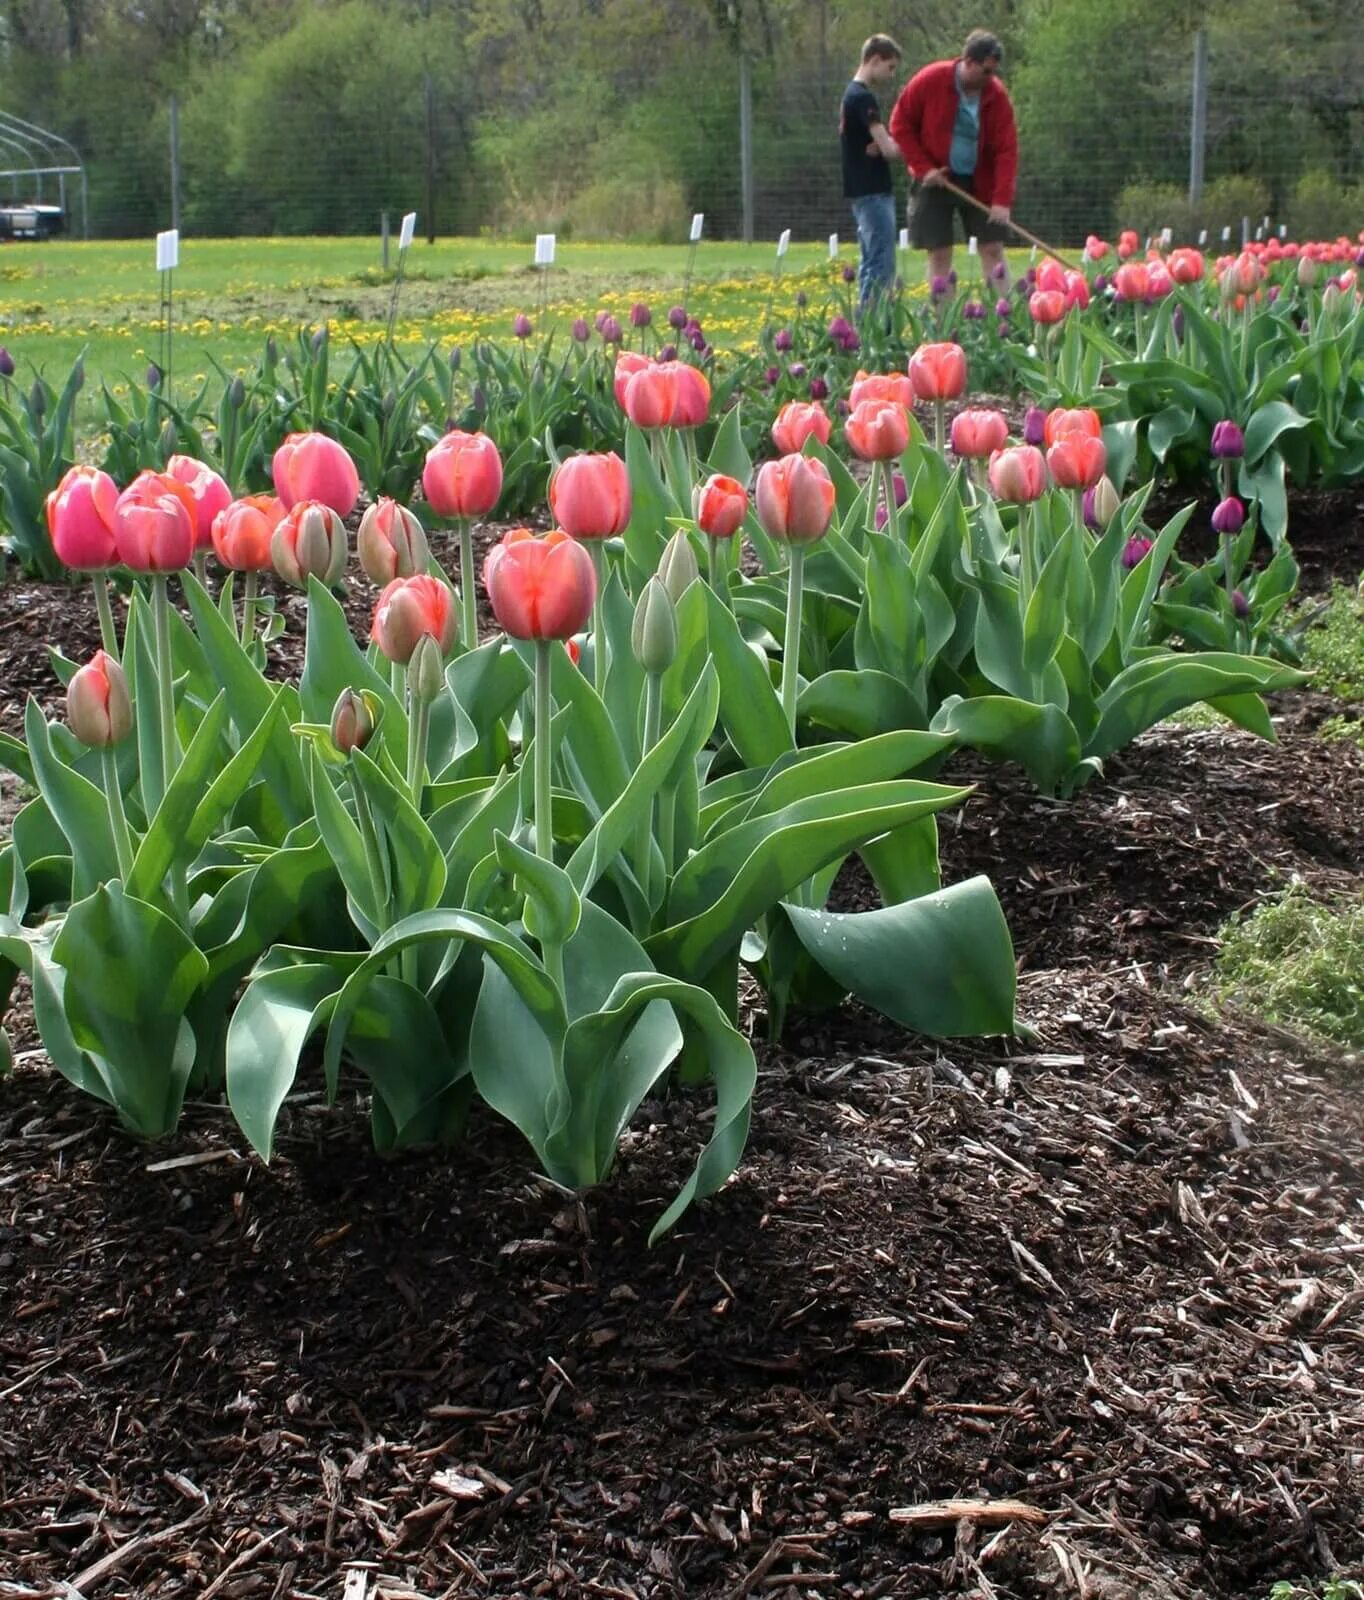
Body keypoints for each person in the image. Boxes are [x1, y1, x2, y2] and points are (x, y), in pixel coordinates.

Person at [889, 29, 1017, 288]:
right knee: (939, 252)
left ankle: (1003, 321)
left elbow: (1007, 150)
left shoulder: (996, 95)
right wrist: (924, 169)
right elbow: (900, 125)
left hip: (981, 180)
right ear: (968, 62)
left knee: (992, 248)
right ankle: (942, 324)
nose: (990, 78)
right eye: (986, 71)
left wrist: (1001, 200)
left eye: (994, 72)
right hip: (937, 178)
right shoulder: (930, 80)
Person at [839, 34, 904, 315]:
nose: (890, 75)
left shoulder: (848, 97)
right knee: (881, 264)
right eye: (889, 68)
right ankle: (874, 328)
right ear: (874, 60)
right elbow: (889, 148)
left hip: (860, 191)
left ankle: (865, 326)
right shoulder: (864, 98)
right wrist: (915, 146)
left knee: (870, 262)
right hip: (874, 191)